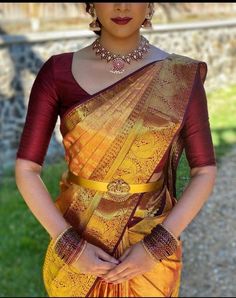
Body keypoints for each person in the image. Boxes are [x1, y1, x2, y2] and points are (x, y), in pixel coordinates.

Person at [15, 3, 217, 297]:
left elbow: (204, 170)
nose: (122, 6)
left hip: (148, 255)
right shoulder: (57, 73)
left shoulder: (179, 77)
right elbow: (26, 169)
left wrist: (158, 244)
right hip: (78, 245)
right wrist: (68, 243)